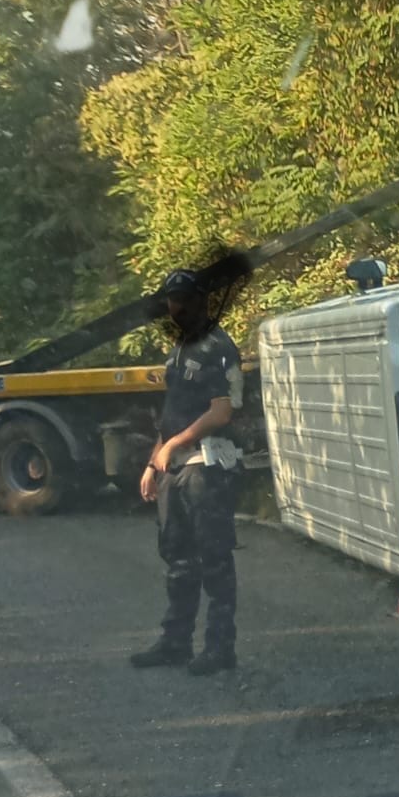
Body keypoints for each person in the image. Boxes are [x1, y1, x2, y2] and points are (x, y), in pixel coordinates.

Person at [129, 269, 244, 675]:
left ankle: (219, 648)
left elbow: (222, 410)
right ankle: (176, 642)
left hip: (207, 464)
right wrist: (152, 462)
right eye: (172, 299)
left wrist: (176, 445)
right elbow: (171, 413)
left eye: (184, 298)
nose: (176, 306)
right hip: (174, 468)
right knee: (177, 558)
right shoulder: (178, 348)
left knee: (214, 559)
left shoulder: (217, 346)